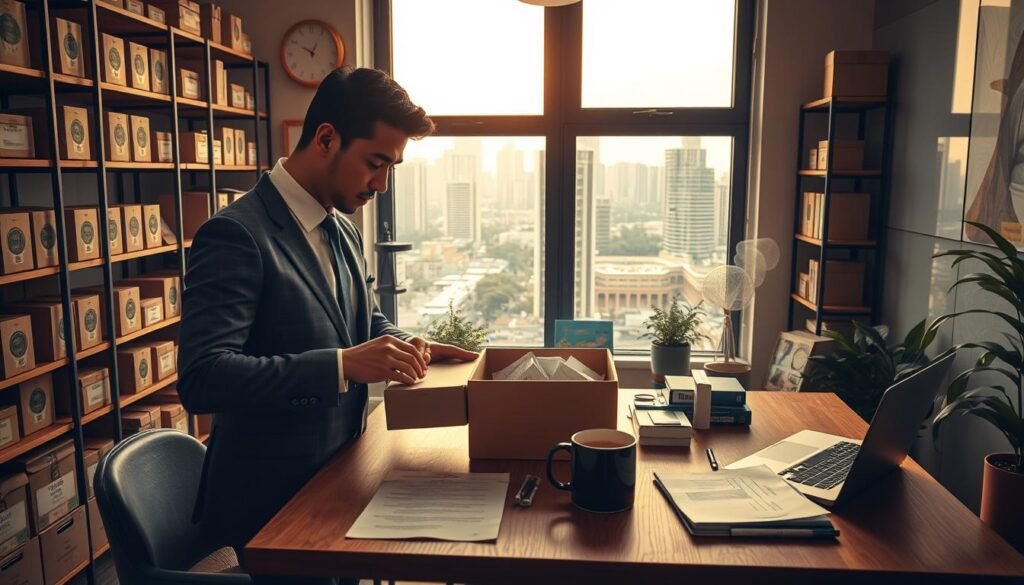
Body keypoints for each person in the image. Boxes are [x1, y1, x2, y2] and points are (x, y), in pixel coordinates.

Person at [177, 66, 478, 584]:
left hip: (339, 480)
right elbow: (203, 378)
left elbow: (362, 318)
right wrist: (341, 365)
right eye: (375, 163)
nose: (381, 184)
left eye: (392, 168)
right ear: (325, 139)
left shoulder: (340, 226)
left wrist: (408, 345)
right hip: (269, 506)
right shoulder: (235, 235)